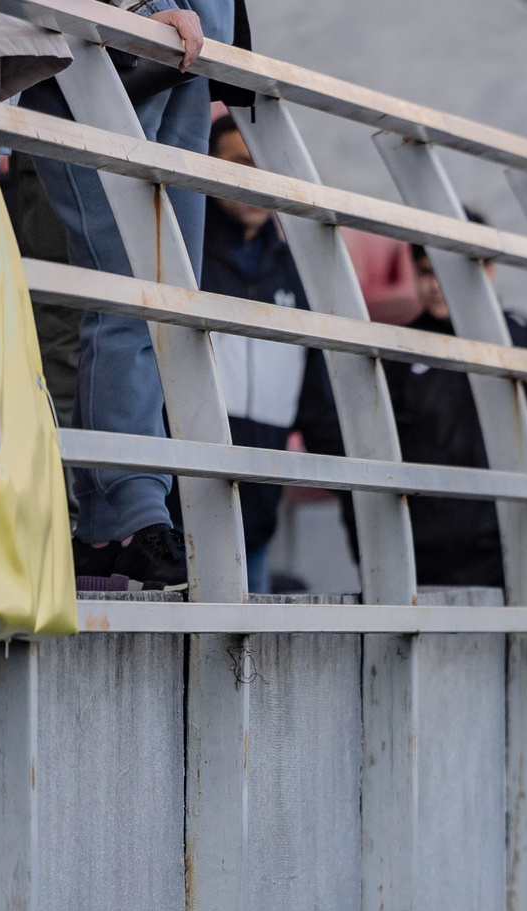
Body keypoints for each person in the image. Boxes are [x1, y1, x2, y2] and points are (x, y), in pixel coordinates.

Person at [18, 0, 235, 588]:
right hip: (117, 37)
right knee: (135, 294)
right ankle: (136, 513)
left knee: (164, 299)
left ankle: (106, 524)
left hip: (178, 47)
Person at [304, 229, 527, 596]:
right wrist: (374, 557)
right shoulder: (397, 355)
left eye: (448, 272)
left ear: (488, 270)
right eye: (426, 272)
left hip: (516, 573)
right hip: (419, 574)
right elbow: (360, 461)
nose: (436, 285)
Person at [201, 111, 333, 593]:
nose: (255, 179)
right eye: (239, 163)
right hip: (179, 527)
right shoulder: (178, 256)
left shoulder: (296, 277)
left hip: (257, 530)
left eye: (263, 165)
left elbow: (319, 404)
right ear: (208, 168)